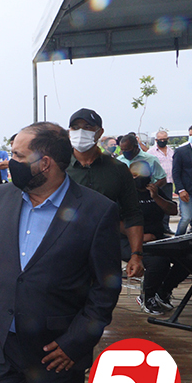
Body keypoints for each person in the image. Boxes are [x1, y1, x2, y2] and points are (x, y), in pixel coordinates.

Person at [0, 122, 122, 383]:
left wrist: (75, 343)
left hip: (56, 352)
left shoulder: (97, 211)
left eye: (18, 156)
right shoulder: (2, 196)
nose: (9, 161)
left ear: (44, 163)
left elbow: (105, 288)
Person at [66, 108, 145, 278]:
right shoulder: (58, 168)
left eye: (87, 127)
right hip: (65, 252)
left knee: (105, 293)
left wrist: (136, 255)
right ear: (69, 132)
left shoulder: (118, 169)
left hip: (105, 251)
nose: (81, 132)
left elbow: (132, 213)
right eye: (75, 127)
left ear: (99, 132)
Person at [124, 161, 178, 314]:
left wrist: (156, 197)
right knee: (159, 262)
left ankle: (163, 291)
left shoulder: (155, 190)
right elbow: (116, 223)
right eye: (135, 175)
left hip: (158, 238)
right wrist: (139, 236)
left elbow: (173, 210)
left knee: (188, 257)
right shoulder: (126, 194)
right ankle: (147, 297)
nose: (138, 178)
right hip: (134, 242)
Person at [147, 130, 175, 234]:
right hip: (157, 182)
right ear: (156, 140)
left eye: (164, 139)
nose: (162, 141)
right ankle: (159, 226)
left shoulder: (171, 151)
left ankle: (166, 226)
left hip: (169, 182)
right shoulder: (151, 152)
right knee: (157, 204)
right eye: (160, 139)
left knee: (168, 203)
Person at [170, 124, 192, 236]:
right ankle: (178, 238)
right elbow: (176, 172)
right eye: (191, 135)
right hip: (187, 191)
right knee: (186, 218)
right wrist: (180, 189)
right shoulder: (181, 151)